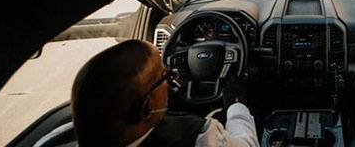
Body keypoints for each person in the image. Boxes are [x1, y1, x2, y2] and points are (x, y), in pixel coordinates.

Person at [71, 39, 259, 147]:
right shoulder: (197, 137)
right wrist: (236, 104)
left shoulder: (57, 137)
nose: (172, 82)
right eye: (165, 76)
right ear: (145, 108)